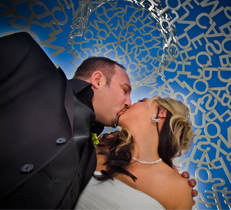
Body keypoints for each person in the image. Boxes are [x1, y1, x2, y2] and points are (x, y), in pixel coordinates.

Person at [0, 32, 197, 209]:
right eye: (125, 90)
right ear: (98, 80)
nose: (128, 102)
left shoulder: (94, 151)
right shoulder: (28, 60)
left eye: (136, 99)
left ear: (161, 114)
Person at [76, 96, 195, 209]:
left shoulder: (178, 188)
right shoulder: (101, 144)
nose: (129, 104)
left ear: (161, 113)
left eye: (141, 100)